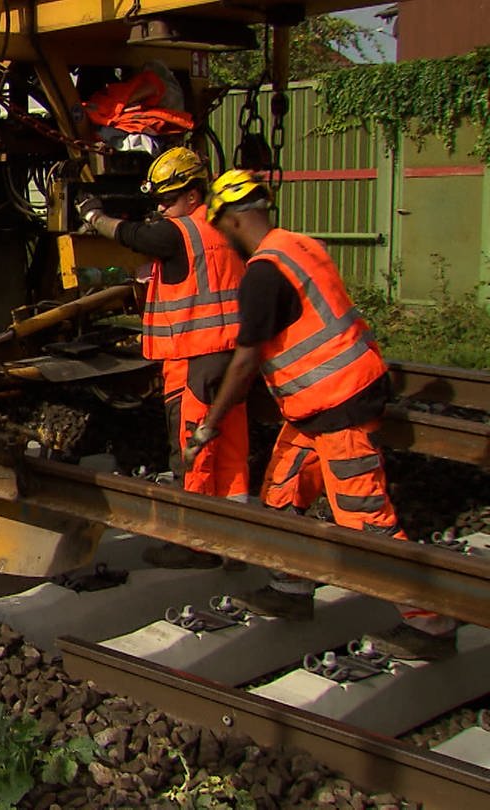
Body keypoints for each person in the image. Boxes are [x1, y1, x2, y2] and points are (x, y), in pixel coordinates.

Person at [190, 169, 457, 660]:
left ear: (229, 220)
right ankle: (290, 588)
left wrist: (210, 422)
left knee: (363, 518)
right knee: (283, 492)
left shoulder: (263, 274)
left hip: (338, 401)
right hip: (320, 400)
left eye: (219, 226)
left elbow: (247, 358)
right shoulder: (299, 244)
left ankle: (432, 622)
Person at [78, 147, 251, 569]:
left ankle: (195, 544)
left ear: (194, 195)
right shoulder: (226, 228)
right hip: (232, 356)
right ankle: (239, 536)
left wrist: (92, 215)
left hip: (195, 356)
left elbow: (136, 236)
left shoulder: (180, 232)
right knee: (229, 447)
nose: (161, 208)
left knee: (192, 450)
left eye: (168, 199)